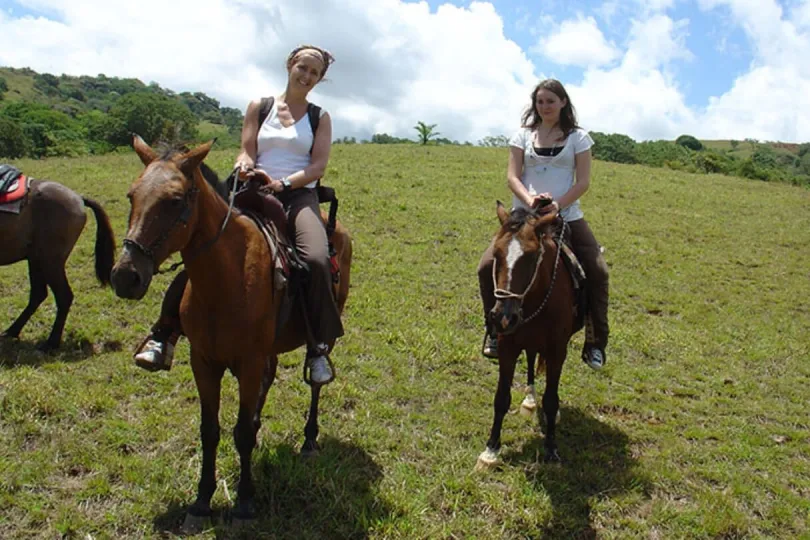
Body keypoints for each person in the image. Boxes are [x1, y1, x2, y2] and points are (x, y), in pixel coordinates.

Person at [134, 44, 342, 385]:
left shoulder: (320, 117)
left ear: (319, 80)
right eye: (302, 67)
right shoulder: (259, 108)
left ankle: (317, 346)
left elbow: (318, 165)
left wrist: (283, 183)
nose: (306, 76)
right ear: (290, 65)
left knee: (316, 258)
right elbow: (246, 151)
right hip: (250, 191)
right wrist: (245, 166)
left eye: (314, 73)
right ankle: (164, 333)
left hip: (297, 195)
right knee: (204, 248)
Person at [477, 79, 610, 370]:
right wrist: (530, 200)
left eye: (551, 100)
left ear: (563, 102)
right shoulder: (522, 136)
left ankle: (595, 342)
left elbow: (584, 181)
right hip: (522, 217)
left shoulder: (579, 138)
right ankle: (495, 332)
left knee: (597, 270)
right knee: (486, 266)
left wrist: (557, 204)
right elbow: (512, 176)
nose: (545, 106)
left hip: (567, 215)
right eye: (540, 101)